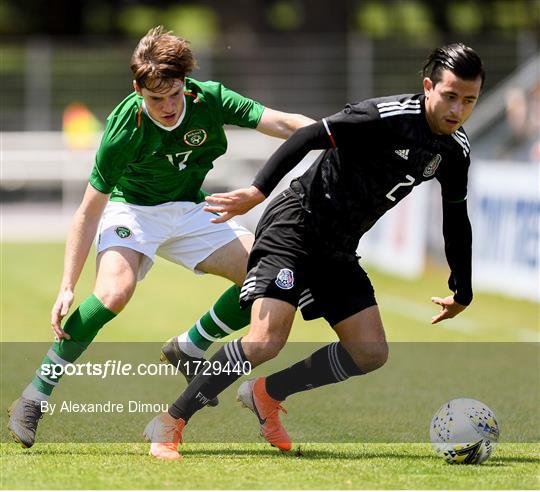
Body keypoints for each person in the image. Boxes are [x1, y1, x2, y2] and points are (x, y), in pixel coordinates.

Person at [143, 42, 485, 460]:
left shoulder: (454, 149)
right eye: (450, 96)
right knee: (266, 340)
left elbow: (456, 215)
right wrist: (256, 192)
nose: (458, 109)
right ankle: (170, 420)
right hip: (295, 224)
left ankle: (267, 393)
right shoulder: (385, 116)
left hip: (337, 248)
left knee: (371, 352)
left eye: (469, 100)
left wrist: (462, 288)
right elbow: (307, 136)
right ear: (429, 87)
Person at [7, 26, 314, 449]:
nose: (168, 107)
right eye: (156, 99)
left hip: (190, 207)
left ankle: (191, 344)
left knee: (260, 278)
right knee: (114, 293)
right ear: (138, 89)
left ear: (185, 84)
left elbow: (279, 121)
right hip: (132, 209)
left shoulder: (208, 98)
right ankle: (35, 395)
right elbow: (87, 211)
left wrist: (337, 132)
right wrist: (65, 287)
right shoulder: (123, 129)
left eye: (174, 95)